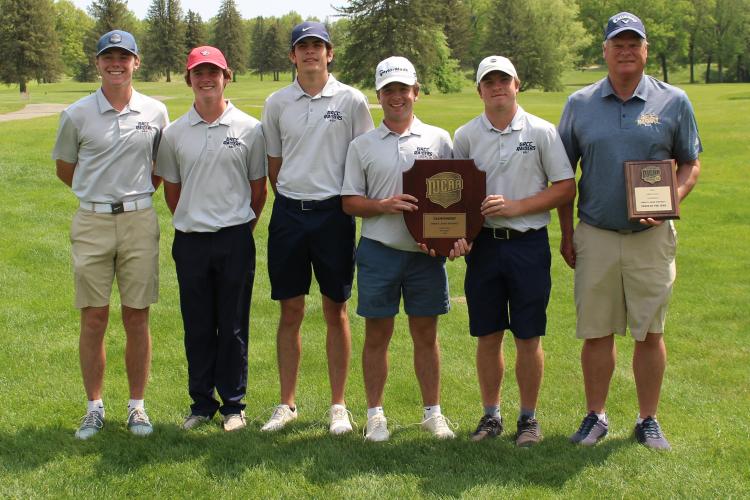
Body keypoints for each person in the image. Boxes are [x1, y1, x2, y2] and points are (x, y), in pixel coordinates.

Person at [558, 12, 701, 450]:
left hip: (651, 238)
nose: (624, 50)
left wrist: (671, 199)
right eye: (616, 43)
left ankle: (647, 419)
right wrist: (566, 234)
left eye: (632, 43)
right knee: (597, 331)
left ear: (645, 50)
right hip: (596, 232)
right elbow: (564, 176)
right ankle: (596, 416)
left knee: (649, 331)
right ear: (604, 51)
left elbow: (690, 163)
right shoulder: (580, 104)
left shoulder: (673, 101)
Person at [52, 30, 169, 439]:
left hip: (139, 220)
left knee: (137, 316)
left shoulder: (155, 111)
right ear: (98, 63)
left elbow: (159, 166)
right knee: (94, 316)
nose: (116, 63)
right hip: (92, 221)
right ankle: (94, 407)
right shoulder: (77, 114)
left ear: (137, 62)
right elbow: (66, 168)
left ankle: (137, 407)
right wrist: (98, 196)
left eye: (124, 56)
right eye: (108, 57)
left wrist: (131, 198)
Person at [453, 56, 575, 446]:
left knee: (528, 336)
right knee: (488, 335)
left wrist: (517, 207)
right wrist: (459, 234)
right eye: (488, 81)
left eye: (503, 80)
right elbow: (455, 194)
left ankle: (528, 418)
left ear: (517, 84)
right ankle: (491, 416)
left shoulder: (541, 131)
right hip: (484, 247)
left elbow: (564, 186)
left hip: (528, 244)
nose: (497, 87)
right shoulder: (466, 135)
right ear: (479, 90)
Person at [260, 21, 374, 434]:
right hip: (289, 213)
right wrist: (294, 196)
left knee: (335, 308)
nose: (310, 52)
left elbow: (364, 157)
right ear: (292, 55)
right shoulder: (276, 103)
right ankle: (287, 403)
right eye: (302, 46)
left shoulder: (351, 100)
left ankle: (338, 405)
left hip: (333, 216)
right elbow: (275, 164)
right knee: (290, 309)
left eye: (318, 46)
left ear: (330, 53)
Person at [342, 56, 462, 442]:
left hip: (425, 255)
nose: (397, 97)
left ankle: (433, 413)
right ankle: (375, 414)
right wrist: (383, 205)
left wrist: (451, 237)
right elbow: (349, 201)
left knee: (426, 334)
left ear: (416, 93)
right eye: (389, 90)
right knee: (378, 334)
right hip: (379, 250)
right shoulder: (362, 145)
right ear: (379, 96)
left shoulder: (439, 139)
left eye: (403, 90)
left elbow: (456, 197)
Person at [156, 46, 267, 432]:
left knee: (233, 325)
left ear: (227, 76)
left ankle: (234, 406)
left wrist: (238, 228)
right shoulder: (173, 134)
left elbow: (258, 190)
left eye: (214, 72)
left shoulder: (251, 129)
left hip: (235, 238)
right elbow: (173, 190)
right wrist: (194, 220)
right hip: (190, 240)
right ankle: (201, 403)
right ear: (189, 79)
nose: (207, 79)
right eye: (198, 72)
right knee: (198, 324)